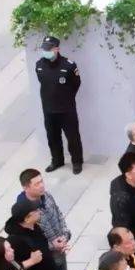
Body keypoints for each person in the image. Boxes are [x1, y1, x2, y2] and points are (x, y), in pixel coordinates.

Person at [35, 36, 82, 175]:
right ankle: (57, 160)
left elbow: (76, 84)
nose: (46, 51)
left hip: (66, 110)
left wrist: (65, 98)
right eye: (44, 49)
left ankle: (77, 162)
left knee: (73, 138)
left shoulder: (69, 65)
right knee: (52, 137)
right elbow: (43, 83)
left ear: (56, 49)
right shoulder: (39, 65)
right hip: (48, 110)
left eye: (49, 49)